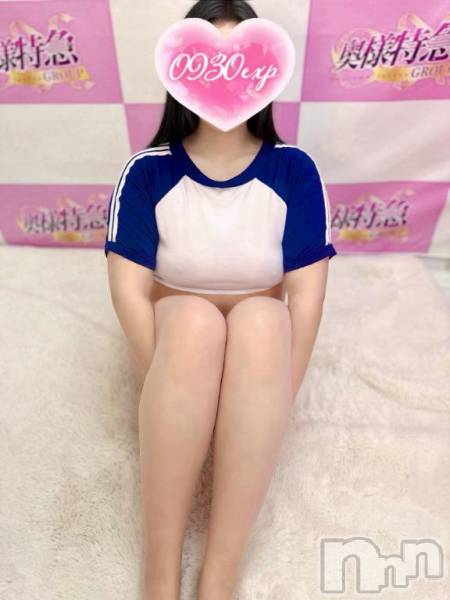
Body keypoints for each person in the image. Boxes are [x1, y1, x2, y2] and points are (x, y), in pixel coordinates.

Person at [104, 2, 337, 598]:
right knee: (196, 323)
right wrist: (156, 377)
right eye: (210, 63)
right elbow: (129, 289)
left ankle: (221, 570)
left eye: (243, 63)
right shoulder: (147, 172)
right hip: (176, 334)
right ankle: (160, 565)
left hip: (261, 341)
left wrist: (281, 391)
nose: (226, 79)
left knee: (263, 319)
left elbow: (306, 298)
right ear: (181, 71)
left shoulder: (295, 171)